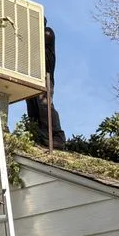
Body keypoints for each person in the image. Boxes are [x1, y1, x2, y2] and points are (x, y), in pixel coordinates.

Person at [26, 19, 66, 150]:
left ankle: (57, 137)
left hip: (44, 76)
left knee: (44, 105)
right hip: (31, 76)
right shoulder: (29, 41)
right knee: (32, 107)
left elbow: (40, 39)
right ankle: (38, 134)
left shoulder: (47, 33)